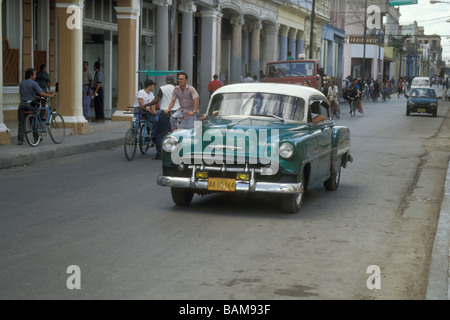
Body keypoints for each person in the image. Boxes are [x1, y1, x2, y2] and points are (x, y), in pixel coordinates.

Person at [17, 68, 56, 145]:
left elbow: (25, 93)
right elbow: (41, 93)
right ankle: (36, 139)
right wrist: (50, 95)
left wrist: (34, 96)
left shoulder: (21, 83)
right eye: (34, 74)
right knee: (34, 121)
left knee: (21, 122)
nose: (35, 76)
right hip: (30, 104)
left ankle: (20, 140)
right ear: (31, 75)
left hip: (22, 104)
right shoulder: (34, 83)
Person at [147, 75, 180, 159]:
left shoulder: (162, 88)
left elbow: (156, 100)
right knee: (176, 133)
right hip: (177, 113)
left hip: (166, 113)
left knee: (160, 134)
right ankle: (176, 154)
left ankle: (159, 154)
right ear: (173, 81)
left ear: (166, 80)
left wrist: (146, 105)